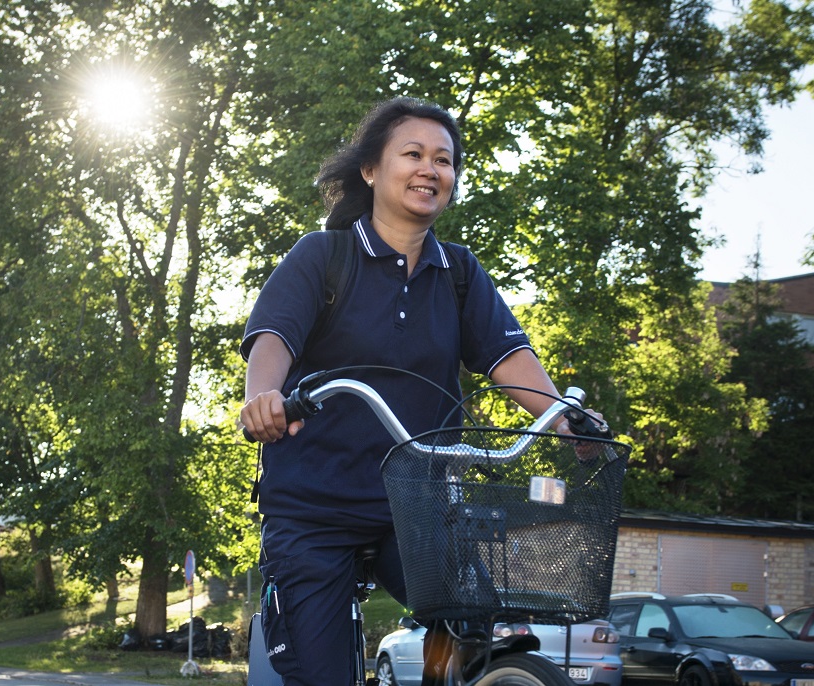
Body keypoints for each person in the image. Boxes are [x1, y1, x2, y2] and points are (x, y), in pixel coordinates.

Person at [239, 96, 596, 686]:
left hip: (417, 500)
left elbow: (510, 360)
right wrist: (264, 396)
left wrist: (564, 419)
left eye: (445, 160)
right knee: (317, 671)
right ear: (371, 170)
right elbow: (273, 336)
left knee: (472, 621)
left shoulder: (457, 273)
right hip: (315, 505)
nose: (432, 169)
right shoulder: (323, 256)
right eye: (413, 154)